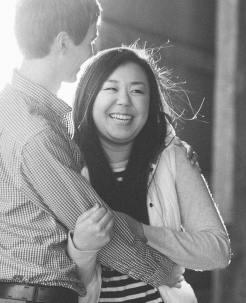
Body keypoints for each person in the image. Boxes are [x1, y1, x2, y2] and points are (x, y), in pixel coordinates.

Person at [0, 0, 187, 303]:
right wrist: (164, 272)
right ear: (63, 42)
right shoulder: (34, 134)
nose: (92, 53)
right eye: (90, 41)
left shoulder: (1, 109)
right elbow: (97, 225)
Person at [67, 46, 231, 302]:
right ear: (88, 96)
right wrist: (82, 248)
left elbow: (217, 251)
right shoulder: (65, 165)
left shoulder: (173, 158)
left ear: (150, 102)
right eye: (111, 88)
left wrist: (141, 231)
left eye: (137, 90)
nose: (124, 100)